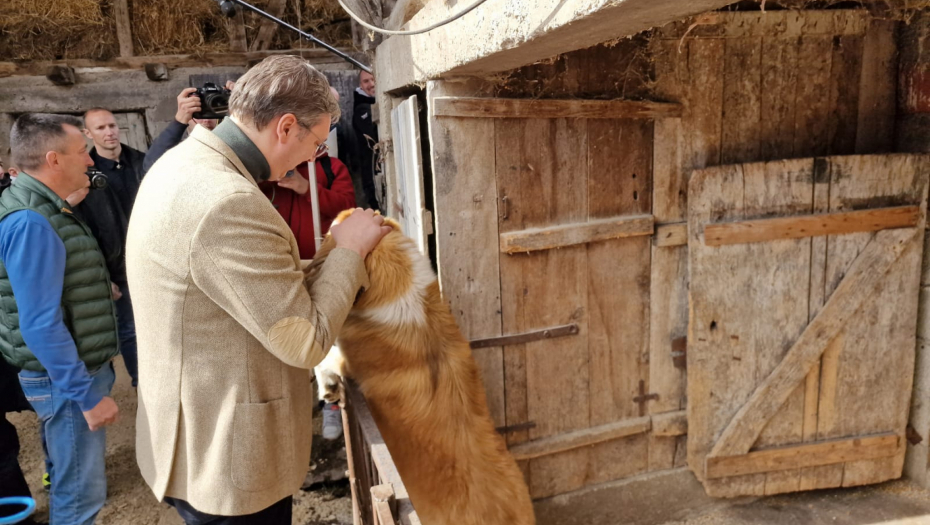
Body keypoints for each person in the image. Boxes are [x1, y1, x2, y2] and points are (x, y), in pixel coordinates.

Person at [127, 55, 390, 524]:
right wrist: (347, 250)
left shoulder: (182, 163)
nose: (314, 157)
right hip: (227, 455)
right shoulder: (228, 203)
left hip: (192, 426)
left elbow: (253, 288)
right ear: (286, 127)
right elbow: (303, 341)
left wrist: (332, 249)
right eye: (316, 141)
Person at [1, 113, 121, 525]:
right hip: (68, 381)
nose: (90, 161)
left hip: (67, 374)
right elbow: (39, 323)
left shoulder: (43, 208)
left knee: (73, 483)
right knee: (79, 496)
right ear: (54, 159)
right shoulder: (33, 222)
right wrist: (85, 395)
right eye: (82, 152)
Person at [79, 108, 145, 387]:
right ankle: (141, 385)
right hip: (118, 269)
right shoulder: (85, 175)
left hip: (150, 261)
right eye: (101, 128)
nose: (109, 132)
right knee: (129, 331)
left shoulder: (141, 161)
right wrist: (103, 277)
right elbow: (85, 232)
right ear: (88, 134)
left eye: (113, 125)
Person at [142, 87, 219, 173]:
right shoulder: (179, 149)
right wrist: (179, 121)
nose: (207, 120)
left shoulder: (228, 142)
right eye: (200, 114)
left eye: (212, 114)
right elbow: (151, 166)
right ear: (187, 115)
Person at [352, 70, 380, 210]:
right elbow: (374, 137)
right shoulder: (361, 109)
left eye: (373, 79)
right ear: (360, 85)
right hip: (373, 176)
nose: (372, 84)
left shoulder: (374, 102)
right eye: (366, 81)